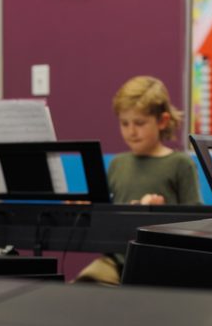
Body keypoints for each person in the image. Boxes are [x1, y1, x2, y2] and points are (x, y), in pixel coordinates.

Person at [75, 75, 201, 284]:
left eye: (139, 123)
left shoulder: (180, 164)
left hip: (159, 262)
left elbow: (197, 223)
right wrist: (86, 209)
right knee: (83, 287)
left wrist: (162, 211)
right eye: (124, 123)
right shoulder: (118, 164)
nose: (131, 131)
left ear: (162, 121)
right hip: (115, 259)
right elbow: (106, 216)